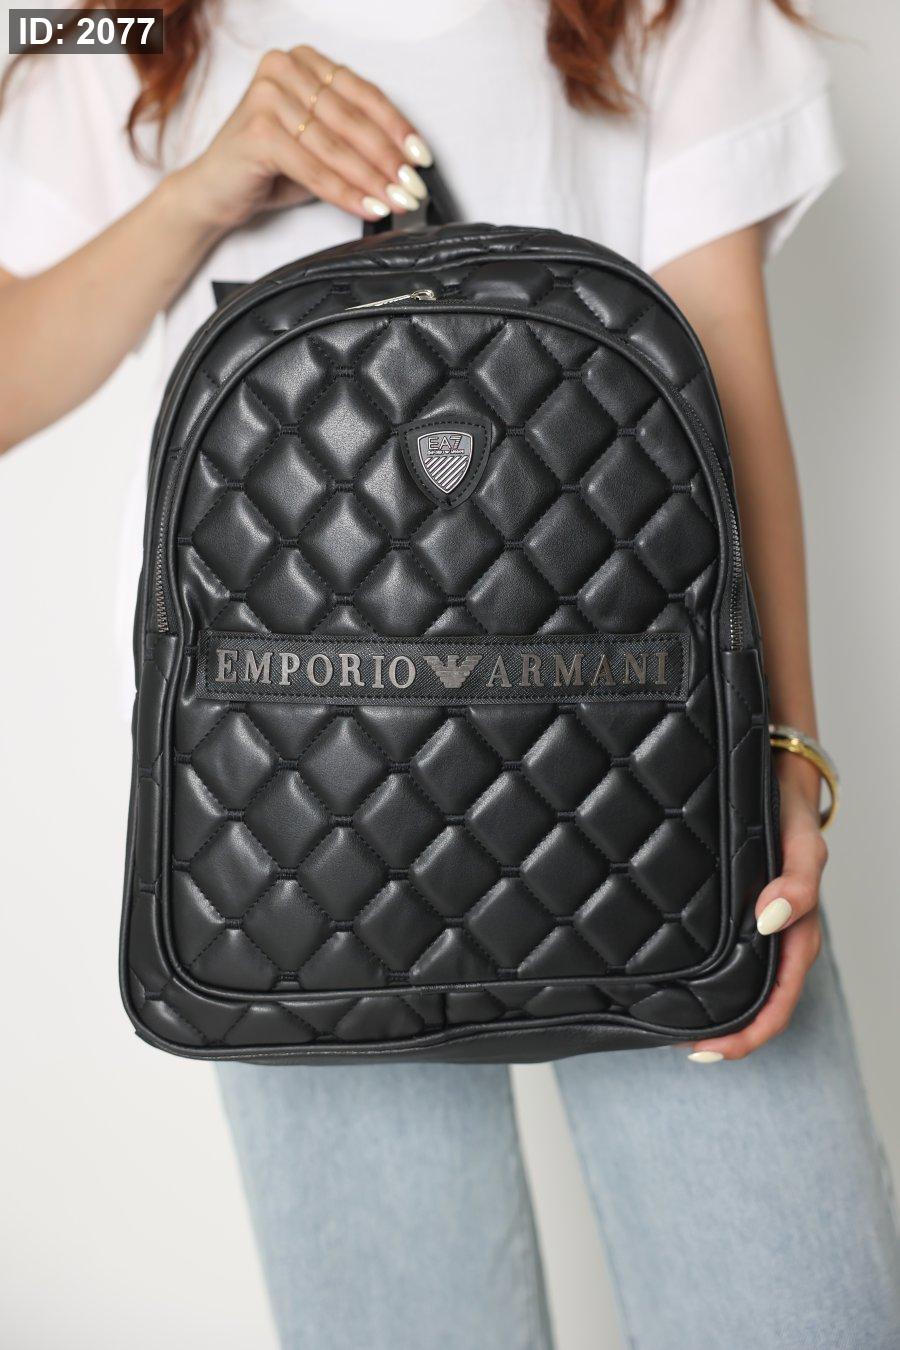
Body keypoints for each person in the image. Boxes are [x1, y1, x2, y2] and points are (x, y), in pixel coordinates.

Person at [1, 2, 898, 1345]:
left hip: (641, 786)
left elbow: (722, 369)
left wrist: (783, 757)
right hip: (299, 838)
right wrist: (202, 192)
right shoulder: (126, 24)